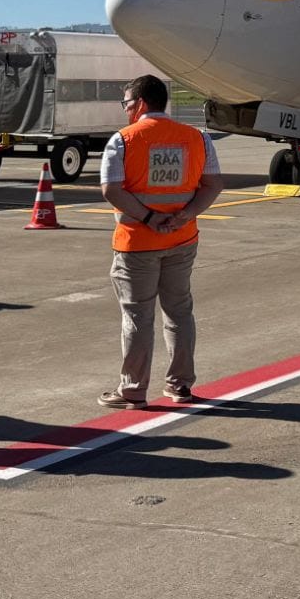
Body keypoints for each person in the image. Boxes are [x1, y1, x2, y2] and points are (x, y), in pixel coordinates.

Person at [98, 73, 225, 408]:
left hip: (137, 242)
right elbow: (213, 184)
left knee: (138, 316)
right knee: (179, 312)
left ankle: (133, 390)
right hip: (182, 239)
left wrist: (150, 218)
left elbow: (111, 190)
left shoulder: (123, 140)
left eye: (126, 104)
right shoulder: (197, 138)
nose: (125, 110)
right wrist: (184, 214)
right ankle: (180, 386)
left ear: (140, 103)